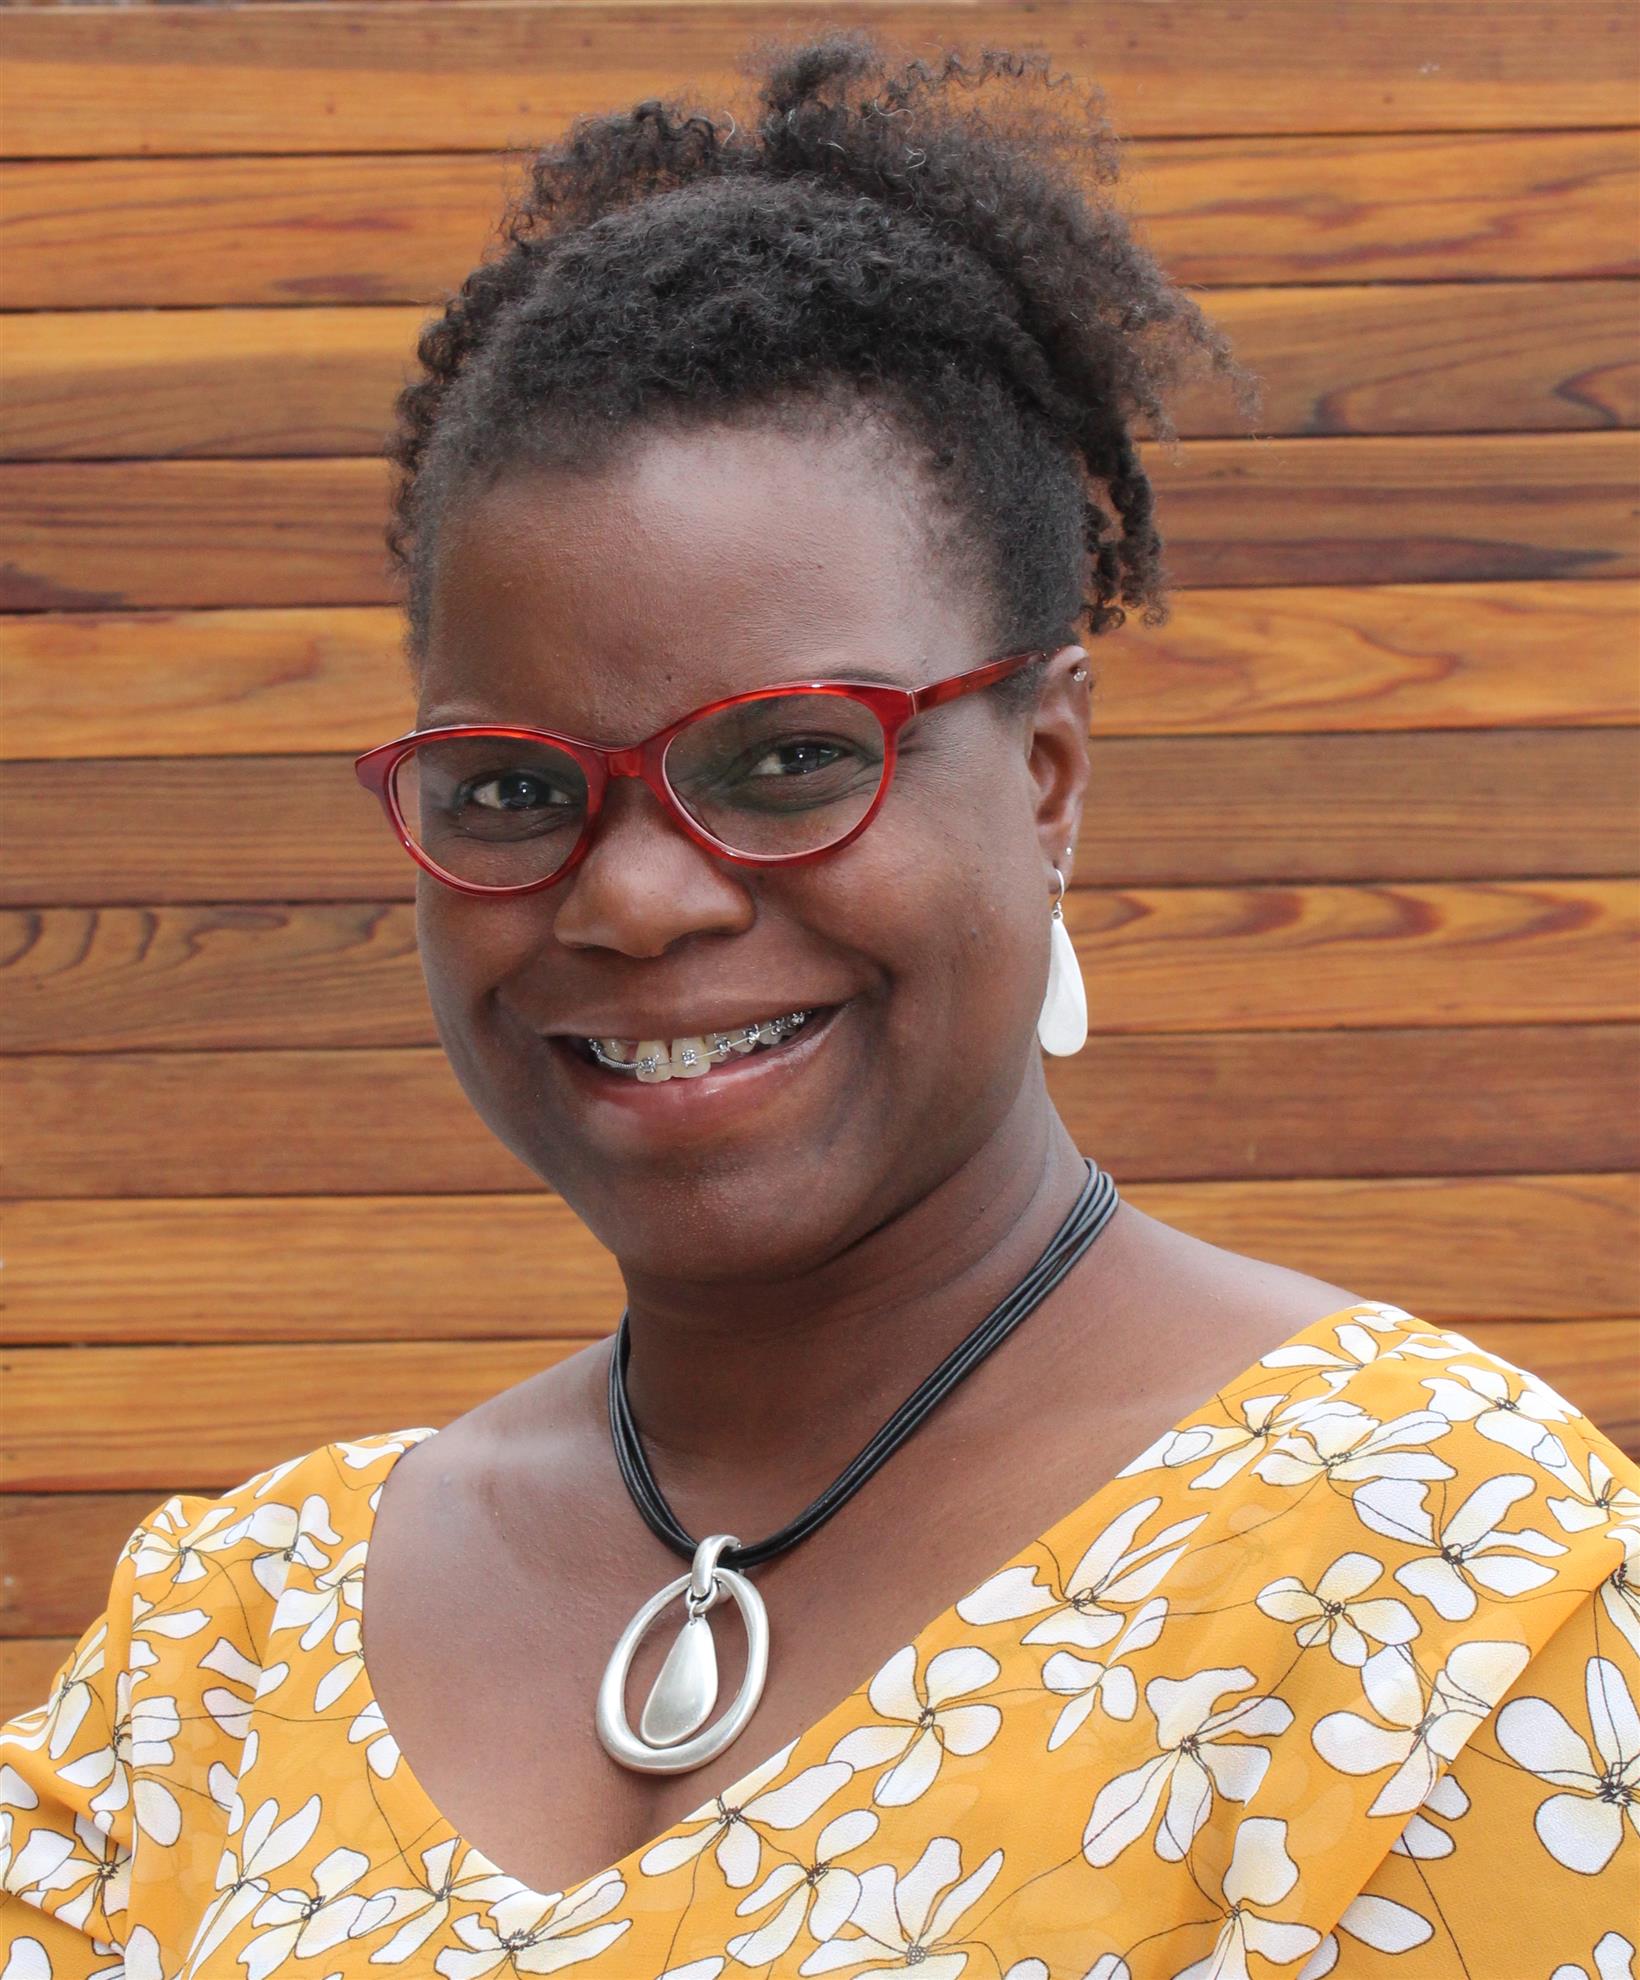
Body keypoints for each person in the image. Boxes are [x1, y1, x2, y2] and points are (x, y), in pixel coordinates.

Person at [3, 31, 1635, 1980]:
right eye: (513, 790)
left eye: (785, 758)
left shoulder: (1441, 1592)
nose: (633, 895)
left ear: (1043, 774)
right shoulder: (221, 1646)